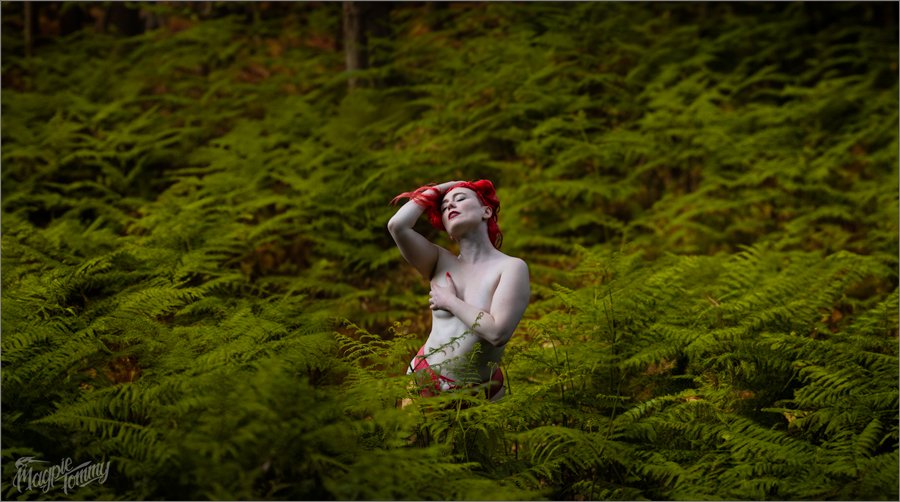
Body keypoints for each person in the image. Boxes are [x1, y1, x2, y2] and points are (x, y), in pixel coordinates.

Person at [388, 180, 530, 401]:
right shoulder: (438, 261)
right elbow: (397, 225)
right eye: (444, 207)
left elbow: (497, 333)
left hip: (481, 393)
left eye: (461, 198)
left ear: (486, 211)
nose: (450, 206)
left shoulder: (511, 267)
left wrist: (449, 301)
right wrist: (445, 187)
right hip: (424, 380)